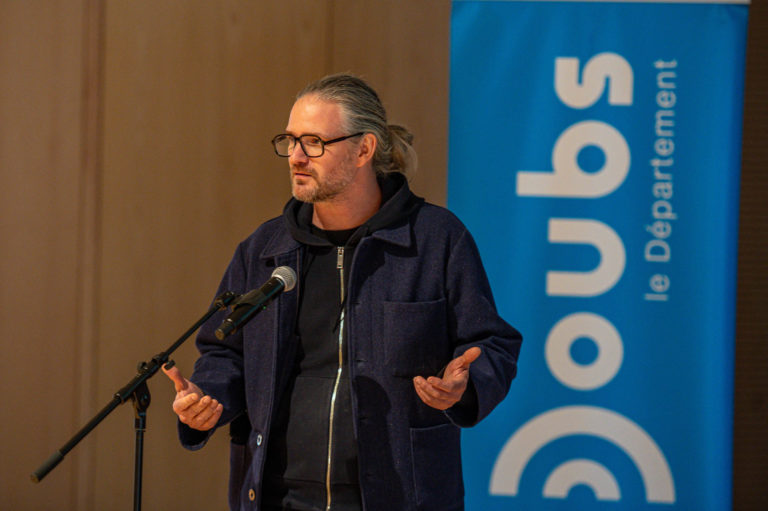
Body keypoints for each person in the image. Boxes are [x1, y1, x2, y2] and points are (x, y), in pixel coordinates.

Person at [162, 73, 522, 511]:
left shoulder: (435, 239)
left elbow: (491, 344)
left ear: (364, 149)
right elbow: (225, 352)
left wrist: (464, 387)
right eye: (290, 140)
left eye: (313, 142)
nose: (295, 156)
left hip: (398, 496)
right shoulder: (264, 250)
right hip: (279, 497)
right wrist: (209, 398)